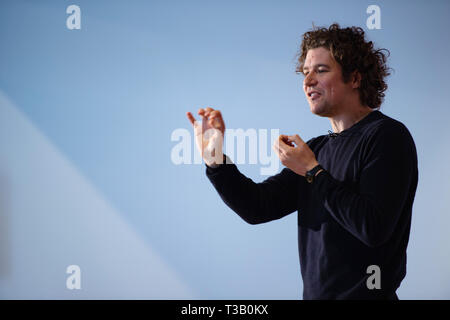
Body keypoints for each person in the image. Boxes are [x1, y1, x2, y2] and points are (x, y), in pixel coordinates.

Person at [186, 23, 418, 300]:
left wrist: (312, 171)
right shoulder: (317, 149)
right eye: (305, 72)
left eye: (321, 70)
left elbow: (372, 228)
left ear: (354, 78)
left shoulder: (387, 136)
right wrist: (215, 159)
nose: (308, 81)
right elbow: (257, 207)